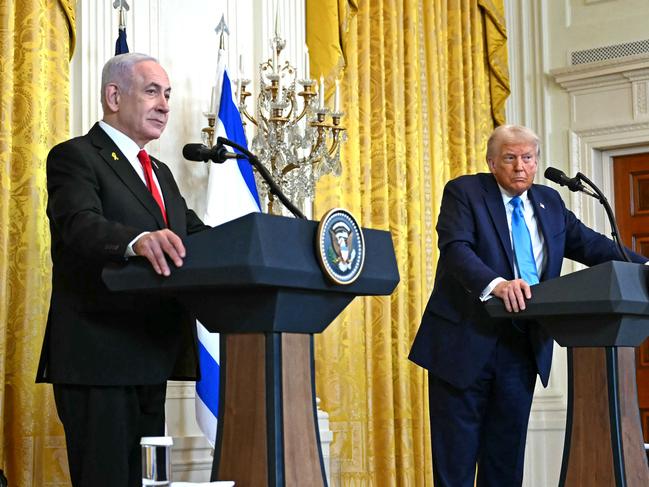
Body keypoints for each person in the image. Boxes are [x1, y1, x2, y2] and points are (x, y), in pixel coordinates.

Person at [408, 124, 647, 487]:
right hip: (463, 344)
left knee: (505, 464)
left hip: (521, 349)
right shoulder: (465, 192)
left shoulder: (550, 203)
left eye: (528, 158)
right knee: (455, 465)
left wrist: (644, 267)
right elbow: (456, 249)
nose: (520, 166)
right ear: (492, 162)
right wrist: (496, 284)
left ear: (536, 163)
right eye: (510, 158)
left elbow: (592, 245)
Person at [36, 53, 209, 487]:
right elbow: (79, 224)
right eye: (152, 92)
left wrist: (256, 238)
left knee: (150, 483)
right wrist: (136, 241)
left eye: (168, 94)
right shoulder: (75, 156)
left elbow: (195, 235)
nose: (166, 105)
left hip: (152, 356)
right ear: (114, 96)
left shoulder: (162, 174)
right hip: (99, 358)